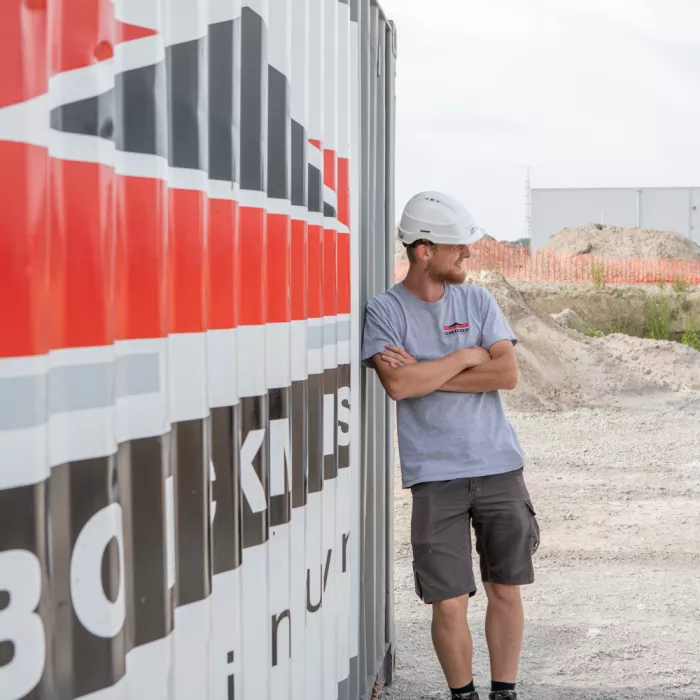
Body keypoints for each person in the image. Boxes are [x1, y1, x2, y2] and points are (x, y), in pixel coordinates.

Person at [361, 192, 540, 700]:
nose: (468, 256)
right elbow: (396, 387)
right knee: (449, 600)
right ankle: (463, 696)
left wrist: (424, 372)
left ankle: (503, 692)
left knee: (505, 588)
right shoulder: (385, 310)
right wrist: (464, 355)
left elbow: (505, 373)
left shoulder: (478, 300)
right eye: (458, 248)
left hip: (499, 466)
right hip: (434, 476)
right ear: (423, 250)